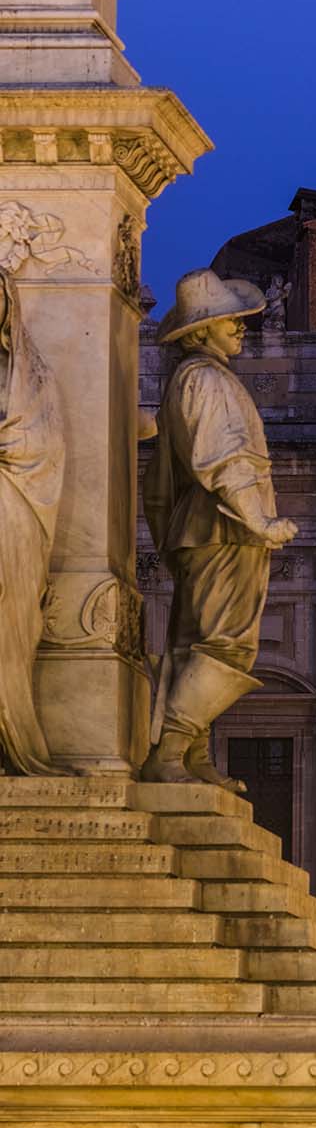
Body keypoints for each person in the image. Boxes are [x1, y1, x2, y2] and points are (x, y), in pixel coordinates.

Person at [142, 270, 296, 789]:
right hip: (223, 529)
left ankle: (193, 756)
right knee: (226, 646)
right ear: (202, 329)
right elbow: (223, 457)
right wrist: (259, 520)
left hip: (207, 528)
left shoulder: (197, 378)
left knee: (196, 644)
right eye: (230, 319)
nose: (241, 326)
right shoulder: (205, 380)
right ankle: (170, 753)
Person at [0, 269, 64, 774]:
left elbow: (40, 441)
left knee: (11, 619)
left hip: (11, 508)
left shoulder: (29, 375)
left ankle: (11, 731)